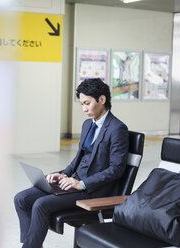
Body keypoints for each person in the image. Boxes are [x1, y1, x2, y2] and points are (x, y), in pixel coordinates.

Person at [14, 78, 129, 248]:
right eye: (82, 104)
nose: (84, 109)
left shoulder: (117, 129)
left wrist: (82, 184)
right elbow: (78, 159)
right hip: (73, 182)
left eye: (87, 103)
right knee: (21, 199)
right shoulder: (87, 125)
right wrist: (63, 174)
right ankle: (31, 244)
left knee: (40, 204)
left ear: (102, 99)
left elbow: (116, 169)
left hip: (93, 190)